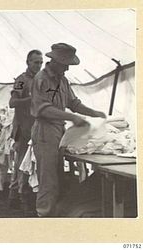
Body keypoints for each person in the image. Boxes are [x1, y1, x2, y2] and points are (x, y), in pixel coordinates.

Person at [30, 43, 106, 217]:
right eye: (66, 64)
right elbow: (42, 109)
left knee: (57, 177)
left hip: (59, 130)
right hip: (45, 131)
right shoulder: (41, 79)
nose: (67, 68)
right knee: (48, 180)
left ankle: (55, 214)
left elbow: (73, 103)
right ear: (56, 61)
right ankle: (43, 215)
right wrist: (72, 117)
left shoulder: (62, 79)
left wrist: (93, 113)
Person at [8, 50, 43, 215]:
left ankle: (13, 196)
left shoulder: (41, 80)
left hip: (35, 129)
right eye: (36, 62)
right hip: (23, 129)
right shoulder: (21, 81)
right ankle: (23, 199)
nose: (39, 65)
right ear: (28, 62)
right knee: (23, 165)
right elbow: (12, 102)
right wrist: (30, 100)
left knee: (26, 164)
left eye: (40, 62)